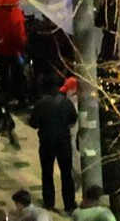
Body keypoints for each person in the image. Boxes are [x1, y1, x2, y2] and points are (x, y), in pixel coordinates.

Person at [28, 77, 77, 212]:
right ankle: (69, 203)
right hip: (63, 142)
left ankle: (49, 202)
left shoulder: (41, 104)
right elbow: (73, 119)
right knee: (66, 173)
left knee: (47, 173)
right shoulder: (67, 103)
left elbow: (33, 123)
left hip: (46, 142)